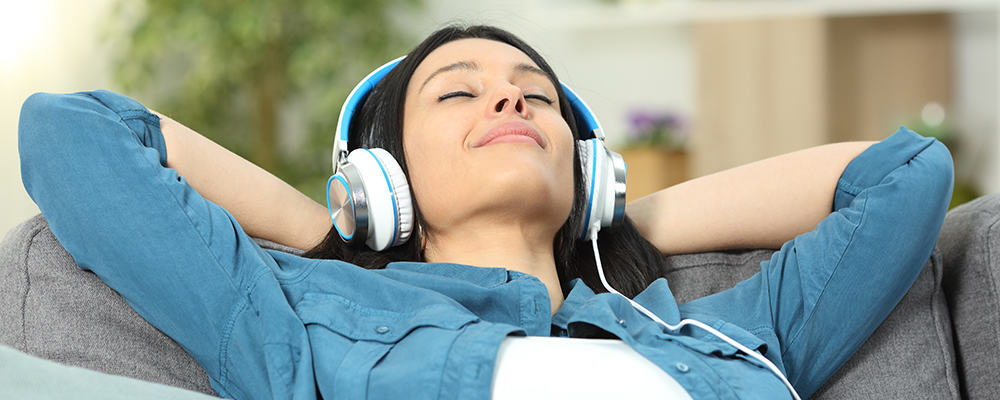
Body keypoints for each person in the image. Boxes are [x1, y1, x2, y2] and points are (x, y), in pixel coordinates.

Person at [17, 24, 954, 400]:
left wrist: (619, 218)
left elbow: (905, 175)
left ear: (587, 169)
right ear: (383, 176)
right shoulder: (298, 324)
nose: (510, 99)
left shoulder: (725, 332)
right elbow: (74, 133)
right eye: (459, 93)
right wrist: (333, 231)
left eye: (535, 96)